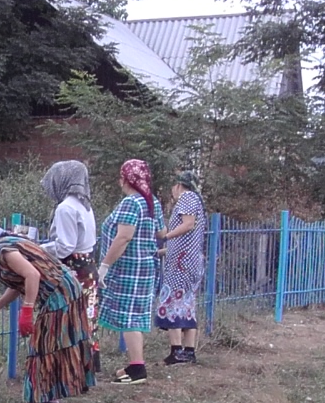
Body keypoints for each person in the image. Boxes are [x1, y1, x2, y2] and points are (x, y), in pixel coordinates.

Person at [0, 222, 97, 403]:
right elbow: (19, 284)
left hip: (58, 295)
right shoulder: (10, 243)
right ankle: (50, 400)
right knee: (54, 346)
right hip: (66, 290)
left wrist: (27, 310)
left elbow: (32, 275)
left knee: (41, 348)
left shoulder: (3, 248)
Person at [96, 158, 163, 385]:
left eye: (121, 176)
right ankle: (135, 364)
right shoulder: (151, 201)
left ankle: (137, 368)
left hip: (129, 268)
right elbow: (161, 232)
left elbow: (124, 237)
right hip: (145, 266)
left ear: (127, 179)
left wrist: (104, 266)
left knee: (129, 316)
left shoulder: (131, 203)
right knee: (133, 314)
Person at [40, 161, 101, 374]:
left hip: (73, 269)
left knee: (68, 319)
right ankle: (85, 366)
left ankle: (69, 368)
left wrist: (38, 249)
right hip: (87, 267)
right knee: (85, 318)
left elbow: (65, 246)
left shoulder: (65, 208)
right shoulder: (84, 205)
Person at [156, 172, 207, 365]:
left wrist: (165, 236)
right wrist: (162, 251)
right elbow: (186, 240)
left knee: (173, 301)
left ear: (178, 185)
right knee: (187, 303)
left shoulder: (187, 198)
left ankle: (176, 351)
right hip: (189, 260)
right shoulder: (197, 200)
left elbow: (188, 225)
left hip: (181, 264)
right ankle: (188, 351)